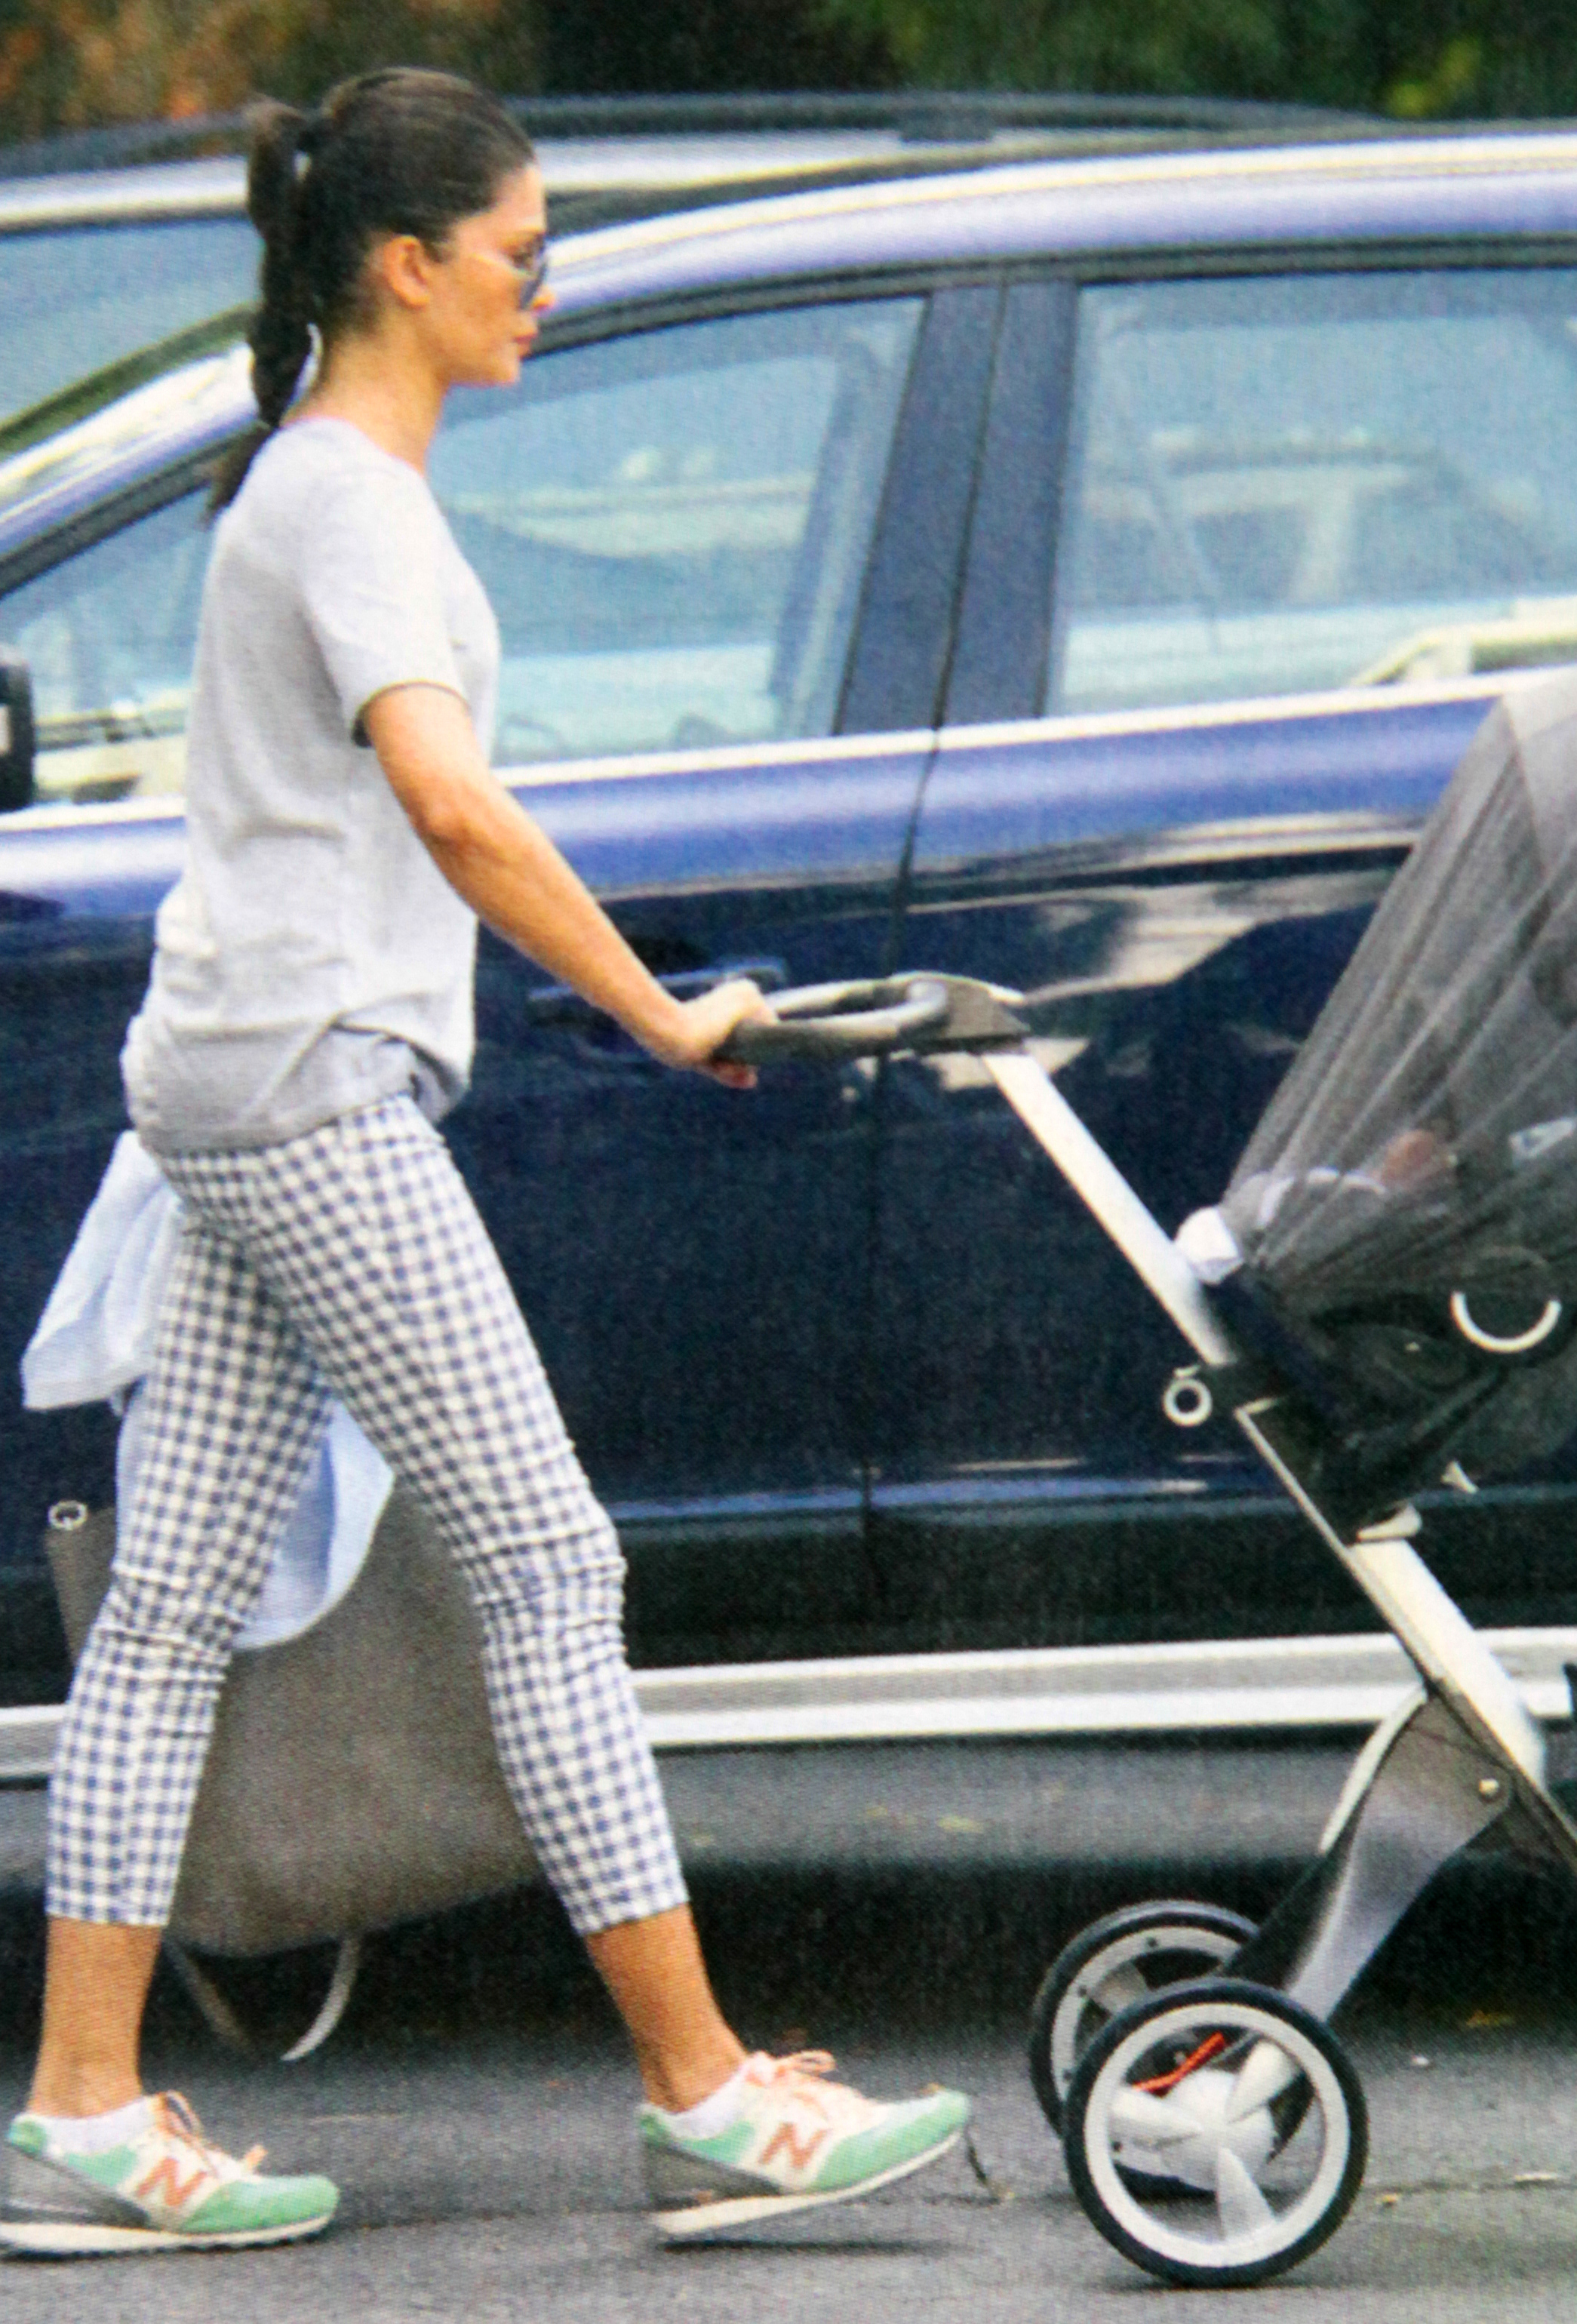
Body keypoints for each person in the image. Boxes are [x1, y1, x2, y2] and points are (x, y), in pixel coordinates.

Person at [0, 66, 967, 2259]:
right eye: (522, 258)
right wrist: (659, 1005)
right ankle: (706, 2095)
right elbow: (445, 805)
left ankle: (75, 2112)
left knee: (161, 1618)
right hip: (311, 1093)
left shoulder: (316, 486)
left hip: (239, 1078)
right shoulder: (345, 500)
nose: (547, 290)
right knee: (549, 1562)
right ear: (408, 267)